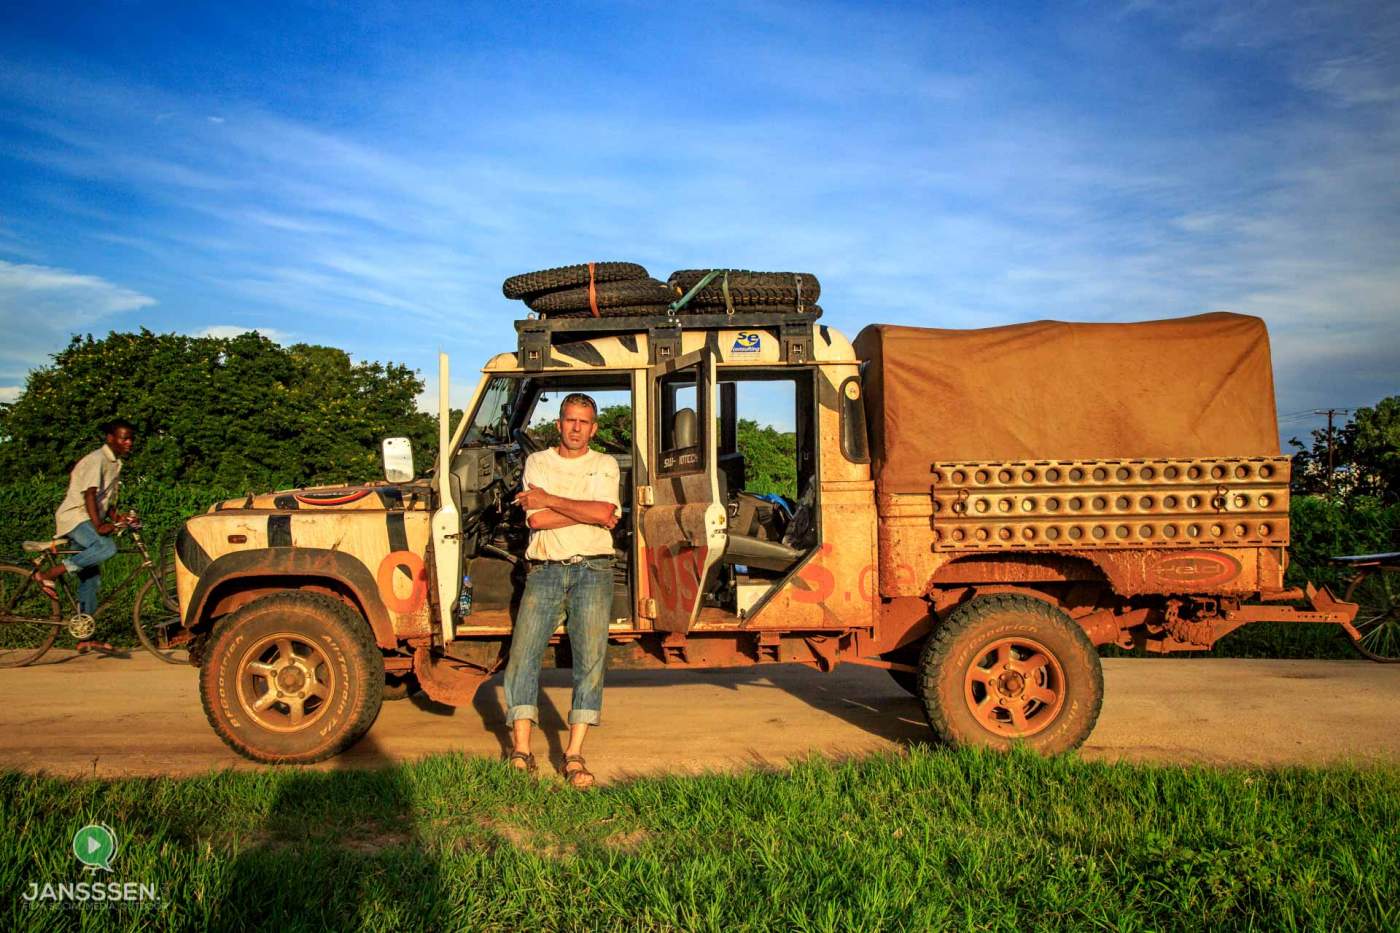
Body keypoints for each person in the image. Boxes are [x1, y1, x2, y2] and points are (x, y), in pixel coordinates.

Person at [504, 393, 621, 788]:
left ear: (594, 428)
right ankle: (521, 749)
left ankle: (574, 755)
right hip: (546, 569)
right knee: (523, 656)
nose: (576, 428)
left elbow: (606, 515)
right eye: (569, 420)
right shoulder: (538, 462)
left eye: (583, 422)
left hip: (594, 569)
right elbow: (536, 520)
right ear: (558, 424)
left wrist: (551, 500)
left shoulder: (604, 464)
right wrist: (582, 510)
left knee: (590, 661)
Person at [35, 419, 135, 626]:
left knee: (90, 578)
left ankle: (84, 632)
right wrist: (99, 526)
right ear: (110, 438)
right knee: (106, 548)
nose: (129, 443)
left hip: (87, 517)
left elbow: (105, 500)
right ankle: (50, 574)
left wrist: (118, 519)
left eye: (131, 438)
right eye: (124, 438)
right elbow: (90, 494)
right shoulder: (97, 459)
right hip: (75, 517)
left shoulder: (116, 463)